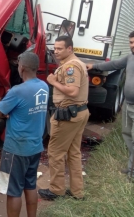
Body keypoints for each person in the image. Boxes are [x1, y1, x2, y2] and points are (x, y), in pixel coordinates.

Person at [0, 52, 49, 217]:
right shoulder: (44, 86)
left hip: (17, 148)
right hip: (35, 146)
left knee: (13, 190)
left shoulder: (18, 91)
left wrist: (4, 110)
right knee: (30, 185)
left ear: (22, 67)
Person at [38, 36, 89, 200]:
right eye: (55, 48)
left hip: (68, 115)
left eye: (60, 48)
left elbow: (73, 91)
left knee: (55, 152)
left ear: (70, 49)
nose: (56, 51)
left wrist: (53, 81)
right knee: (73, 153)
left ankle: (56, 190)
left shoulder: (71, 67)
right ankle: (77, 192)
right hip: (78, 112)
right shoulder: (76, 64)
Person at [87, 31, 134, 177]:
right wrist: (95, 65)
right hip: (128, 104)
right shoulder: (130, 57)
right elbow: (114, 64)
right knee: (127, 134)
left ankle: (132, 173)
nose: (132, 45)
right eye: (131, 42)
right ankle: (131, 166)